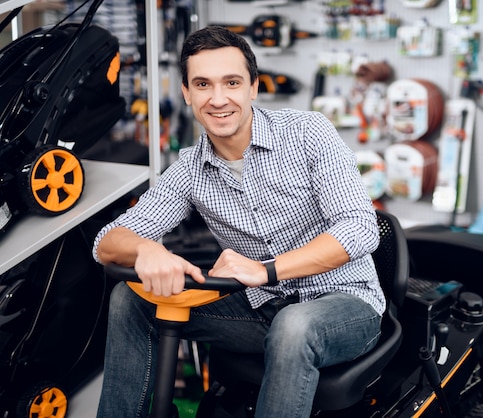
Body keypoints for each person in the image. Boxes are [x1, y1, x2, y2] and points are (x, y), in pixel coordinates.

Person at [93, 25, 385, 418]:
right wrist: (147, 248)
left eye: (231, 82)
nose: (218, 99)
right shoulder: (189, 170)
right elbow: (106, 242)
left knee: (294, 327)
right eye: (202, 84)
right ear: (186, 93)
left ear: (253, 87)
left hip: (345, 303)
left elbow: (359, 227)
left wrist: (265, 271)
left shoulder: (307, 132)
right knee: (130, 298)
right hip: (261, 312)